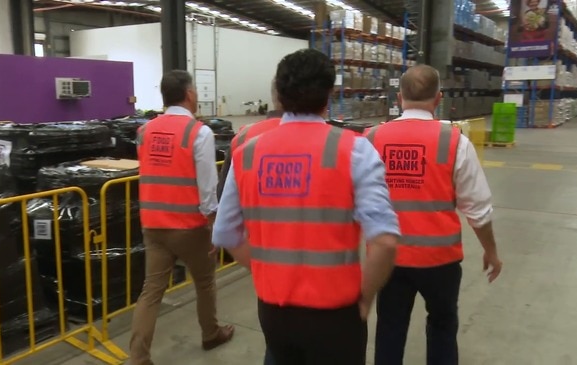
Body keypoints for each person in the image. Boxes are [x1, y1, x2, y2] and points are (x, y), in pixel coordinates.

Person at [212, 48, 400, 365]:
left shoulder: (247, 152)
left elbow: (226, 233)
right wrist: (365, 298)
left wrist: (266, 271)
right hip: (336, 314)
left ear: (279, 97)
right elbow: (384, 240)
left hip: (274, 311)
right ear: (329, 96)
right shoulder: (354, 149)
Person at [363, 64, 503, 365]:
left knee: (389, 327)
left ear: (399, 97)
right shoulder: (455, 143)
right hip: (440, 260)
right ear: (438, 98)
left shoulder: (371, 140)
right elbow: (477, 209)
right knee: (441, 327)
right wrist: (491, 251)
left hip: (388, 258)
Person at [130, 70, 234, 365]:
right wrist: (214, 226)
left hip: (153, 224)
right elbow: (207, 189)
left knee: (151, 291)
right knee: (204, 282)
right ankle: (211, 333)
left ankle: (138, 357)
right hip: (189, 226)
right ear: (189, 94)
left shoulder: (144, 132)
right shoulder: (197, 133)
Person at [216, 80, 283, 365]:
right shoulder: (332, 139)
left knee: (279, 344)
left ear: (274, 97)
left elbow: (224, 200)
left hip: (260, 247)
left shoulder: (244, 137)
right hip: (318, 264)